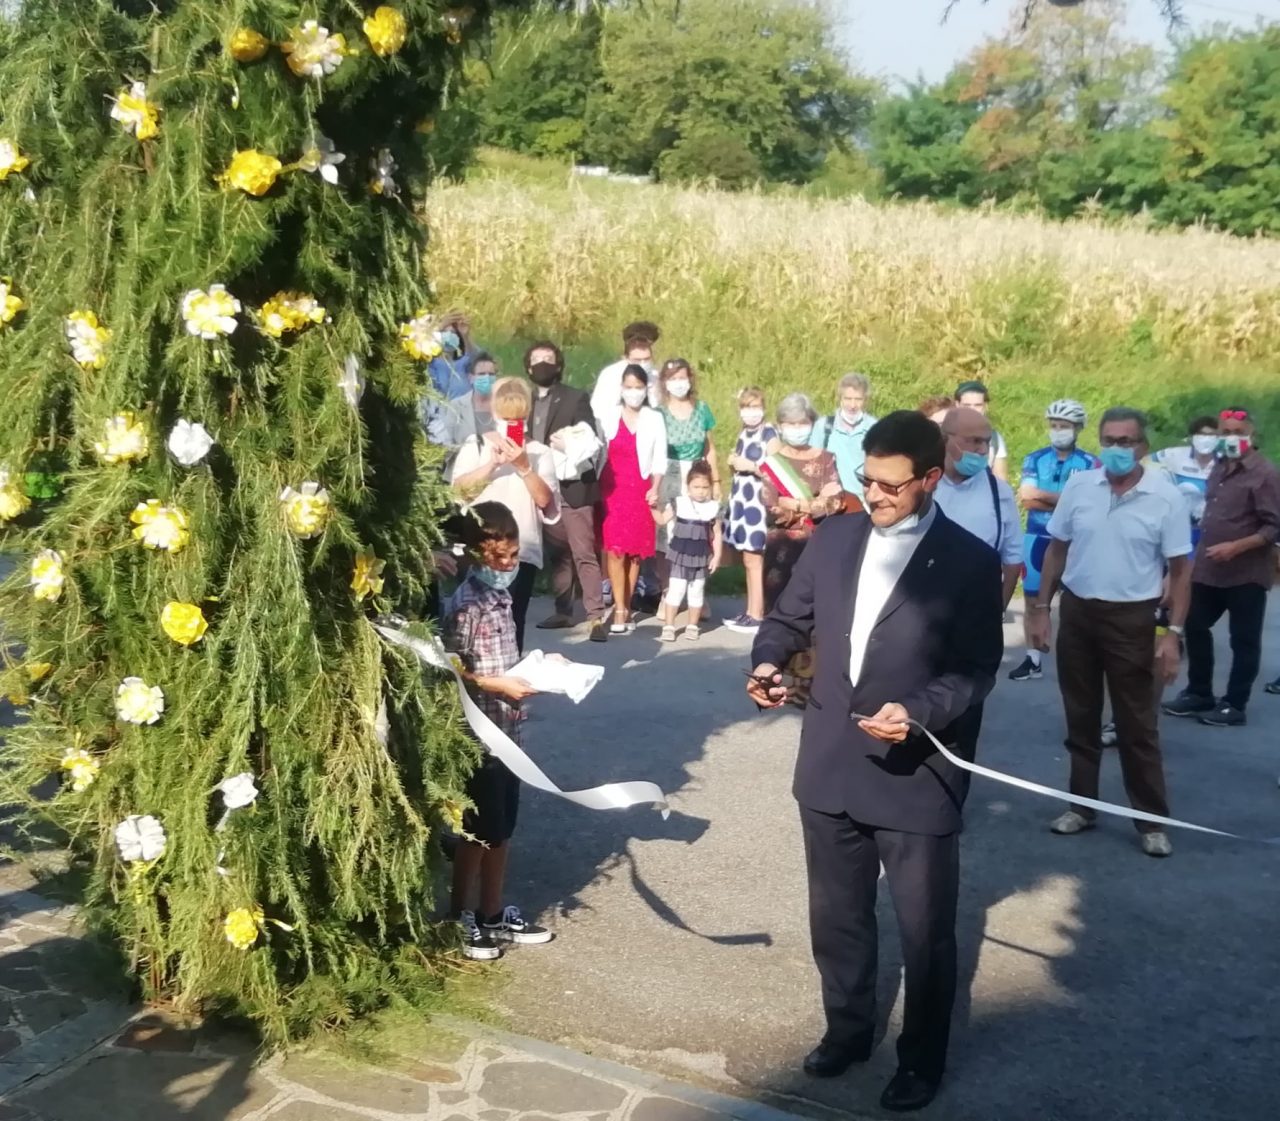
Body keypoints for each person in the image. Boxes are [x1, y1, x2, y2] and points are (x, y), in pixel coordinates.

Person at [747, 410, 1003, 1114]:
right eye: (868, 479)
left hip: (915, 773)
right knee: (837, 916)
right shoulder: (835, 536)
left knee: (925, 932)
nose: (877, 494)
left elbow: (979, 667)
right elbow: (787, 619)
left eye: (891, 485)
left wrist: (919, 710)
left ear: (928, 478)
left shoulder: (968, 561)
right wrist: (768, 660)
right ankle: (848, 1029)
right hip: (830, 760)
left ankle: (920, 1058)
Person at [1026, 407, 1191, 858]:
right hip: (1078, 612)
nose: (1117, 449)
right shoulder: (1081, 486)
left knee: (1137, 725)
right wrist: (1041, 608)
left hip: (1133, 619)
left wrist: (1171, 633)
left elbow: (1180, 570)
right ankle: (1082, 807)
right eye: (1110, 440)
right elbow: (1057, 549)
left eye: (1127, 441)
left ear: (1143, 447)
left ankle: (1151, 821)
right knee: (1080, 718)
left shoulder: (1165, 495)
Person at [443, 501, 554, 961]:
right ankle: (458, 917)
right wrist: (496, 684)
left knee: (503, 827)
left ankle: (492, 914)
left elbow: (506, 657)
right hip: (480, 734)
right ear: (475, 553)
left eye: (513, 556)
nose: (509, 565)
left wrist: (540, 671)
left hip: (511, 733)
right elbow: (449, 669)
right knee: (478, 831)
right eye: (499, 557)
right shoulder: (467, 604)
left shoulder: (504, 597)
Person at [1161, 409, 1280, 728]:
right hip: (1208, 570)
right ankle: (1199, 692)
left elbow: (1274, 527)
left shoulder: (1265, 474)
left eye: (1238, 432)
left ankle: (1234, 704)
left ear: (1251, 436)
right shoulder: (1219, 466)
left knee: (1244, 640)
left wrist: (1236, 547)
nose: (1231, 438)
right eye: (1225, 431)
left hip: (1246, 573)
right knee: (1194, 624)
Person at [449, 377, 560, 650]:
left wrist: (524, 467)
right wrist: (491, 465)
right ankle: (474, 681)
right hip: (481, 544)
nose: (512, 422)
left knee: (512, 619)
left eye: (518, 417)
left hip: (520, 550)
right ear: (495, 412)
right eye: (507, 415)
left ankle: (508, 685)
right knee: (473, 616)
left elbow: (546, 501)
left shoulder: (539, 452)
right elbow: (459, 491)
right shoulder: (476, 444)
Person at [522, 341, 609, 643]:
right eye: (536, 359)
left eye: (548, 358)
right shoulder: (525, 400)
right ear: (528, 367)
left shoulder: (575, 398)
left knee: (584, 552)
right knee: (557, 554)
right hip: (542, 486)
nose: (542, 363)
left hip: (573, 486)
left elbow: (588, 437)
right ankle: (562, 610)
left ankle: (596, 616)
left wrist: (567, 444)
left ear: (558, 365)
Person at [759, 395, 844, 705]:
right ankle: (780, 680)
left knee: (818, 610)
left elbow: (835, 501)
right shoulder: (771, 464)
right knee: (783, 612)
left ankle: (812, 683)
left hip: (819, 544)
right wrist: (812, 505)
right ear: (780, 426)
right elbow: (771, 509)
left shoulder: (825, 458)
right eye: (791, 423)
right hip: (782, 549)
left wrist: (796, 505)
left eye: (803, 422)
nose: (798, 428)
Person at [1008, 400, 1100, 682]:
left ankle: (1083, 657)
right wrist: (1067, 501)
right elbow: (1026, 497)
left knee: (1079, 600)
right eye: (1055, 425)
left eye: (1065, 426)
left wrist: (1044, 497)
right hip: (1037, 536)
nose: (1059, 431)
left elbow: (1088, 503)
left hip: (1075, 540)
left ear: (1078, 429)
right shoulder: (1034, 458)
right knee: (1034, 598)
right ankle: (1032, 658)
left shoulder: (1090, 463)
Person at [598, 364, 666, 634]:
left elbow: (660, 457)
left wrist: (656, 487)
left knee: (634, 553)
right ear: (621, 389)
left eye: (638, 387)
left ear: (645, 389)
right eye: (629, 387)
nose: (634, 392)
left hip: (640, 488)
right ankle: (620, 607)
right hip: (612, 488)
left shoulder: (653, 418)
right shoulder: (609, 415)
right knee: (614, 549)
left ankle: (627, 601)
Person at [933, 408, 1023, 610]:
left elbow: (1013, 558)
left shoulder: (1000, 493)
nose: (983, 450)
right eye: (974, 441)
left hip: (977, 609)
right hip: (927, 609)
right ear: (946, 440)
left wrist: (997, 610)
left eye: (986, 441)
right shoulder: (925, 486)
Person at [655, 358, 719, 576]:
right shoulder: (659, 413)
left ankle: (697, 586)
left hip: (697, 474)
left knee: (700, 529)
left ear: (690, 379)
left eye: (682, 378)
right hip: (669, 472)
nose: (678, 383)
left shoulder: (702, 409)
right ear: (664, 382)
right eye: (673, 379)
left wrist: (716, 482)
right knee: (668, 531)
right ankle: (667, 588)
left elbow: (710, 448)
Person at [723, 387, 778, 634]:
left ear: (763, 407)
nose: (751, 412)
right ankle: (750, 610)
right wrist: (733, 464)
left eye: (755, 407)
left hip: (758, 502)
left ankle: (758, 614)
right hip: (742, 501)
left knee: (755, 558)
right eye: (746, 407)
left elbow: (777, 473)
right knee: (747, 558)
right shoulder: (744, 433)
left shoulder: (770, 434)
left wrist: (752, 466)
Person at [652, 460, 722, 642]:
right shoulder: (679, 503)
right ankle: (668, 626)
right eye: (696, 486)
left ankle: (692, 625)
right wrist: (652, 507)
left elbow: (717, 534)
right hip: (680, 554)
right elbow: (661, 520)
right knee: (675, 589)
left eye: (705, 487)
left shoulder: (713, 508)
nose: (700, 491)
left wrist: (717, 556)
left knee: (696, 591)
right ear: (688, 486)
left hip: (701, 556)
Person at [1150, 415, 1221, 547]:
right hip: (1177, 527)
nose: (1206, 439)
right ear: (1192, 437)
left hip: (1211, 530)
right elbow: (1143, 463)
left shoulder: (1226, 462)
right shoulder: (1174, 455)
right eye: (1201, 434)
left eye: (1212, 435)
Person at [809, 372, 877, 500]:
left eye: (858, 399)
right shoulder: (823, 426)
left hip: (864, 501)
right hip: (831, 500)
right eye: (848, 399)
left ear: (865, 400)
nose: (852, 405)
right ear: (840, 398)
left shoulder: (874, 428)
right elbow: (811, 464)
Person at [590, 320, 661, 421]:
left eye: (646, 359)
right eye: (637, 360)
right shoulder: (611, 376)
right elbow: (599, 412)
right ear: (626, 357)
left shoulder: (656, 377)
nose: (643, 364)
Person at [428, 350, 499, 451]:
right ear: (471, 377)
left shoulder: (507, 405)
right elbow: (445, 444)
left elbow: (517, 438)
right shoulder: (455, 407)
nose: (487, 378)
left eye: (491, 374)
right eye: (481, 374)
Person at [954, 381, 1008, 481]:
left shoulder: (994, 439)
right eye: (967, 405)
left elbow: (1001, 482)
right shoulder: (944, 436)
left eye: (978, 405)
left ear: (985, 406)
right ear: (957, 405)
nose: (972, 410)